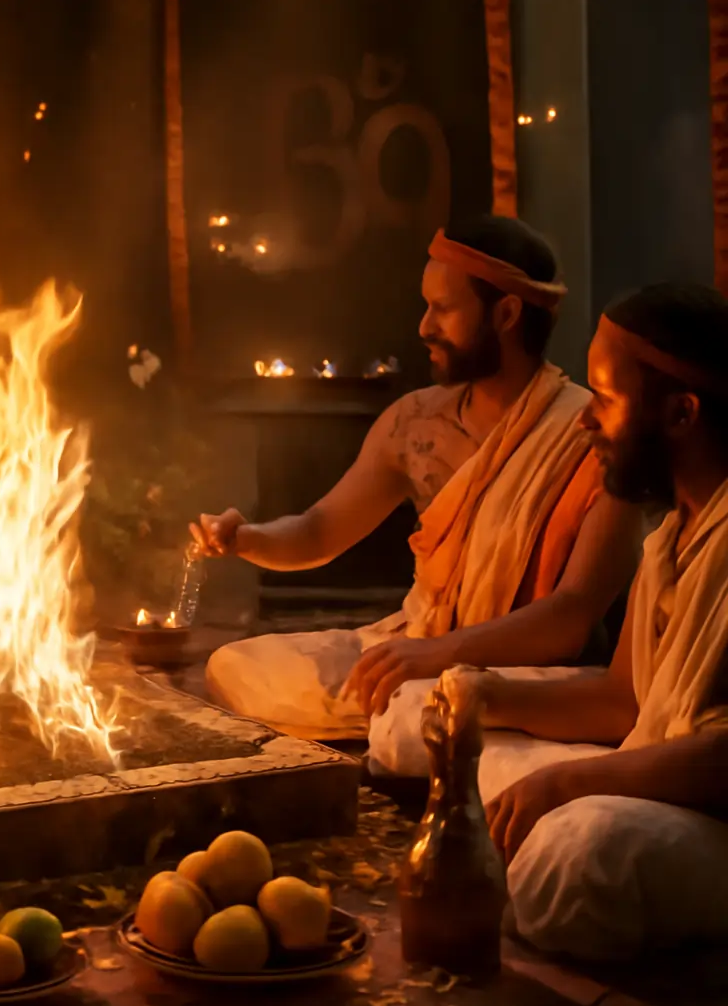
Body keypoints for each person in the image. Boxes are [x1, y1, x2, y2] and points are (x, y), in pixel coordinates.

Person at [193, 216, 643, 743]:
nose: (424, 327)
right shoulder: (414, 422)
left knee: (421, 710)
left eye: (443, 309)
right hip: (416, 643)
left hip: (523, 672)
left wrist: (437, 656)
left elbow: (570, 617)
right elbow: (319, 531)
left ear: (506, 313)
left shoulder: (595, 435)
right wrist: (246, 537)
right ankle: (416, 733)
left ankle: (426, 734)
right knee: (234, 666)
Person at [395, 284, 728, 961]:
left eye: (605, 399)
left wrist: (571, 781)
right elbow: (620, 701)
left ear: (681, 412)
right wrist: (488, 695)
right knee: (416, 715)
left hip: (708, 814)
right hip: (647, 776)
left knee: (576, 853)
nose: (585, 422)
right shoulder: (671, 534)